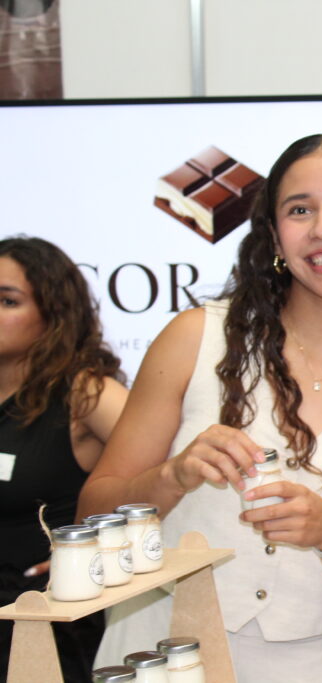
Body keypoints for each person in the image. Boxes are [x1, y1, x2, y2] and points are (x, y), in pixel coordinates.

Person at [77, 131, 322, 682]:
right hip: (156, 658)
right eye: (299, 209)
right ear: (273, 232)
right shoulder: (196, 339)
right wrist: (171, 477)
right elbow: (91, 516)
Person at [0, 236, 128, 683]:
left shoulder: (86, 393)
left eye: (7, 300)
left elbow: (170, 472)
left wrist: (104, 550)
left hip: (48, 630)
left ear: (54, 313)